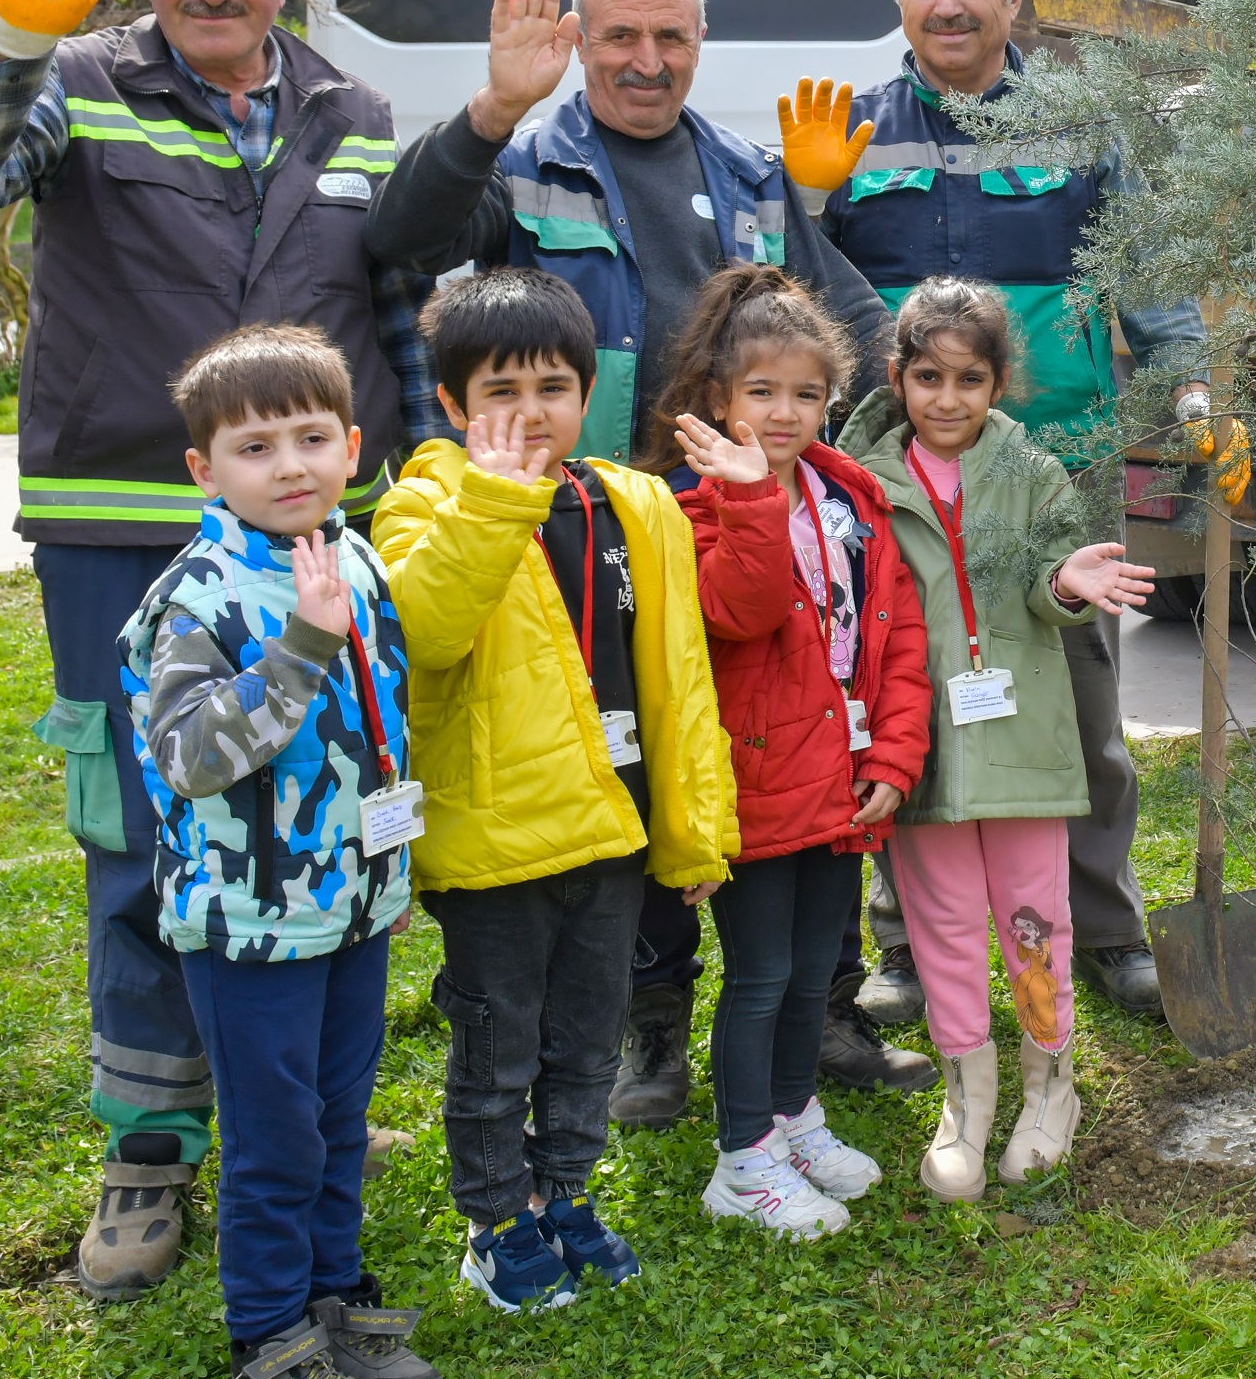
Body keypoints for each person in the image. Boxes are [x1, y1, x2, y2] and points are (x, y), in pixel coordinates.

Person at [0, 0, 444, 1303]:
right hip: (120, 523)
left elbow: (394, 316)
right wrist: (9, 36)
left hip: (315, 545)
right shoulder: (73, 82)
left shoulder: (353, 114)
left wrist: (434, 475)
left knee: (316, 809)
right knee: (146, 836)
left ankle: (296, 1100)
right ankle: (148, 1143)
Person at [364, 0, 912, 1120]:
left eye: (671, 40)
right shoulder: (529, 163)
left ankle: (820, 1003)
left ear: (698, 47)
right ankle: (650, 1026)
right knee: (643, 754)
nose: (648, 63)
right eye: (620, 38)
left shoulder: (751, 176)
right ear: (580, 41)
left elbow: (847, 315)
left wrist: (872, 435)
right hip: (600, 522)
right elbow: (405, 237)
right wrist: (493, 104)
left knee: (787, 743)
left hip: (746, 514)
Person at [781, 0, 1237, 1031]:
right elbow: (782, 306)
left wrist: (1193, 398)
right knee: (899, 697)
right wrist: (796, 198)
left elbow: (1159, 289)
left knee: (1078, 707)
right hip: (891, 480)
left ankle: (1105, 931)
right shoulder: (847, 128)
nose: (949, 3)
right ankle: (902, 947)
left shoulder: (1087, 125)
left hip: (1061, 472)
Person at [374, 270, 737, 1312]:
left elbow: (679, 677)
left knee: (588, 1038)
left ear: (588, 392)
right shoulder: (426, 503)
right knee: (498, 1047)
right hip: (498, 849)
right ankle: (496, 1224)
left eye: (551, 387)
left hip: (610, 839)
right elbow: (426, 630)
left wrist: (694, 829)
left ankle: (567, 1197)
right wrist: (494, 499)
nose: (527, 414)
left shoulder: (634, 503)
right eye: (498, 392)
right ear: (450, 405)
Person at [120, 326, 438, 1379]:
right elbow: (195, 759)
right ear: (204, 468)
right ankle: (269, 1346)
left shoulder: (350, 557)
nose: (291, 465)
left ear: (352, 445)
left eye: (313, 437)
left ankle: (333, 1298)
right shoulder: (195, 598)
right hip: (251, 925)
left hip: (351, 907)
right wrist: (300, 646)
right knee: (273, 1137)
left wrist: (394, 863)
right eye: (256, 446)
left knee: (338, 1121)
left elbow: (384, 721)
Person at [839, 280, 1156, 1200]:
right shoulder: (861, 480)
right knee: (938, 923)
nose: (948, 399)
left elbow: (1041, 593)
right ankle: (964, 1099)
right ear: (898, 378)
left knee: (1031, 921)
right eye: (928, 376)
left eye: (969, 378)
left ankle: (1047, 1082)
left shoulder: (1034, 471)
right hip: (920, 742)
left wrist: (1062, 583)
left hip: (1020, 741)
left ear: (999, 382)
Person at [647, 266, 934, 1243]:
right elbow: (745, 607)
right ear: (718, 399)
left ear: (833, 398)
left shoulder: (851, 497)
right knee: (761, 973)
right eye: (760, 393)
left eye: (805, 393)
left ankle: (790, 1115)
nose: (783, 411)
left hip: (841, 781)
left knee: (816, 971)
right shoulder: (689, 508)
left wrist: (893, 755)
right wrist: (751, 501)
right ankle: (741, 1159)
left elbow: (894, 636)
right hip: (756, 788)